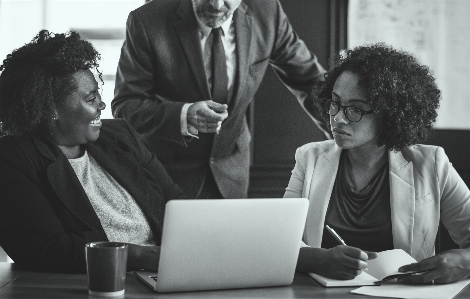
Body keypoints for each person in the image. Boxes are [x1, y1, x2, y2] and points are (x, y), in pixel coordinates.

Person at [0, 30, 185, 273]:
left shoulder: (120, 135)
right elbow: (46, 249)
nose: (102, 104)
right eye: (90, 99)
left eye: (98, 93)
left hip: (163, 274)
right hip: (93, 284)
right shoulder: (13, 158)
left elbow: (176, 202)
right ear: (50, 110)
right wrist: (139, 256)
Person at [284, 44, 470, 284]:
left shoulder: (432, 164)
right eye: (335, 103)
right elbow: (281, 241)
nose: (338, 118)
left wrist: (464, 262)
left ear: (389, 114)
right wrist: (317, 259)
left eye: (355, 110)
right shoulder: (309, 158)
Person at [112, 0, 330, 199]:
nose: (217, 5)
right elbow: (126, 105)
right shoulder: (146, 20)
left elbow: (311, 81)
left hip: (232, 172)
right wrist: (184, 115)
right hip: (166, 174)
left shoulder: (267, 13)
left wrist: (344, 133)